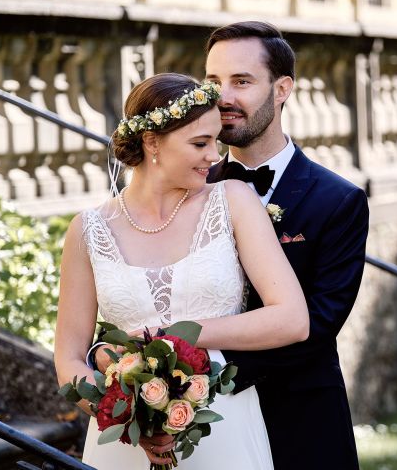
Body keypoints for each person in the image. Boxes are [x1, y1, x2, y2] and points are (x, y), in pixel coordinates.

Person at [54, 72, 309, 469]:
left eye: (216, 142)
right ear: (152, 142)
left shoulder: (233, 201)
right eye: (200, 143)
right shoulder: (87, 230)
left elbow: (292, 319)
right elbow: (68, 359)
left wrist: (176, 336)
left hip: (222, 428)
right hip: (123, 445)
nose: (215, 155)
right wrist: (129, 414)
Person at [205, 21, 369, 470]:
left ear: (282, 89)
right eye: (214, 81)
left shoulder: (338, 201)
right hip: (199, 427)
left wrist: (208, 373)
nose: (223, 97)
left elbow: (317, 324)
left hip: (300, 423)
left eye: (241, 81)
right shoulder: (190, 190)